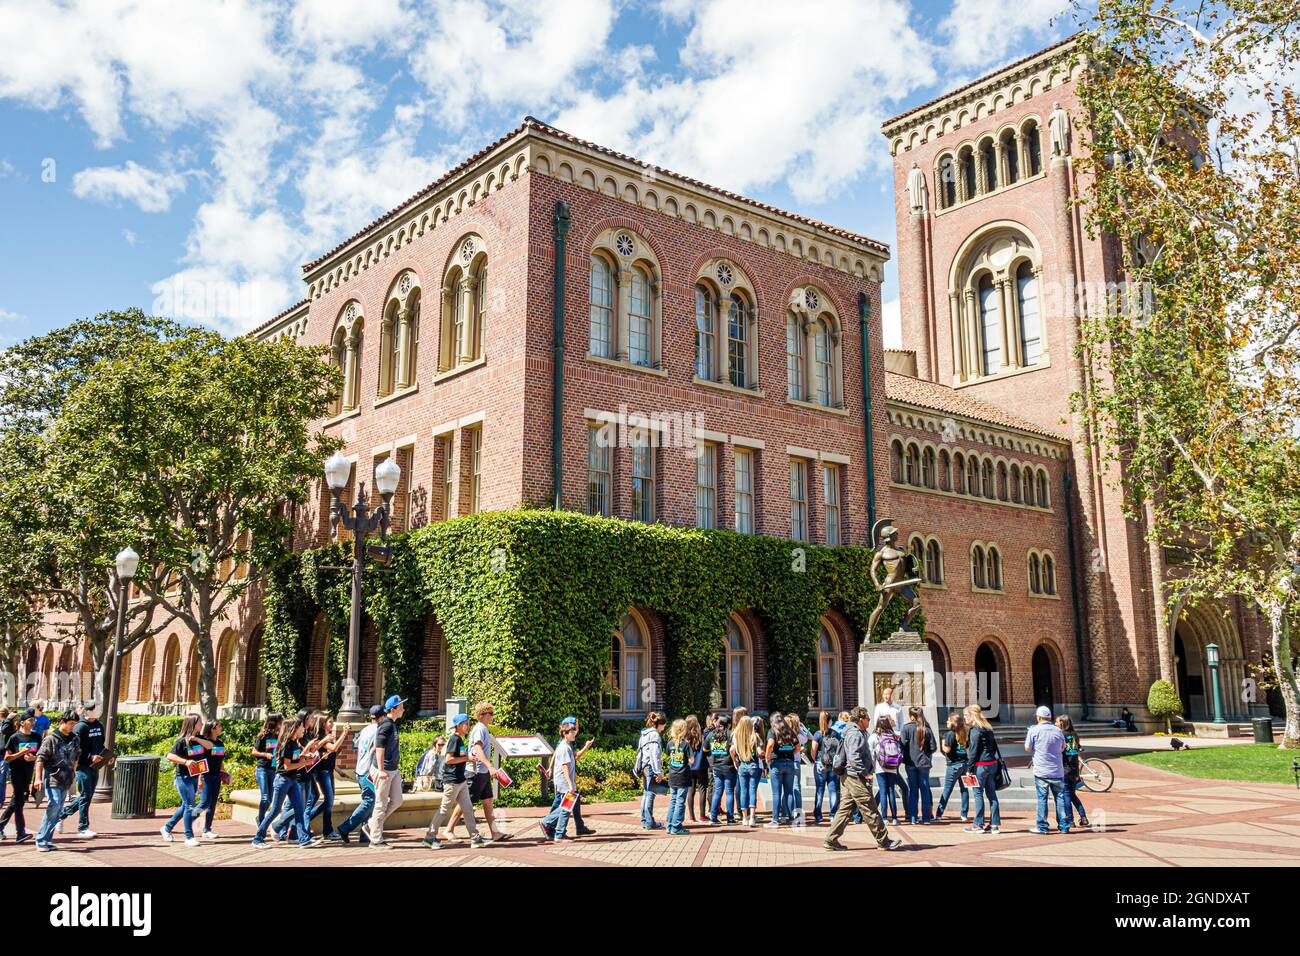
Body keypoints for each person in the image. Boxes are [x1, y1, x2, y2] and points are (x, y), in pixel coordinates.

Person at [823, 706, 903, 852]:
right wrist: (865, 773)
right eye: (867, 719)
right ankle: (884, 841)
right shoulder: (855, 734)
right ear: (861, 719)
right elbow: (854, 757)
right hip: (855, 776)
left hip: (849, 776)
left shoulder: (853, 732)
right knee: (870, 807)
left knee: (846, 809)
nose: (869, 721)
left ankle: (831, 839)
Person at [251, 716, 321, 849]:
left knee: (299, 809)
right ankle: (258, 838)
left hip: (293, 780)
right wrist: (306, 762)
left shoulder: (295, 743)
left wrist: (305, 757)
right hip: (283, 780)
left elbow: (294, 759)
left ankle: (303, 839)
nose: (303, 729)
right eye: (301, 727)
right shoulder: (286, 744)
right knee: (275, 810)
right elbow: (287, 766)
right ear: (294, 729)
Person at [424, 713, 489, 849]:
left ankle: (475, 838)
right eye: (466, 724)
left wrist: (468, 757)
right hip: (452, 781)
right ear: (459, 725)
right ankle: (429, 838)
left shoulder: (459, 739)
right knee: (444, 809)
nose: (468, 726)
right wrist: (466, 759)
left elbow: (459, 757)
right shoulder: (455, 739)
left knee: (468, 809)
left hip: (461, 780)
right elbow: (449, 759)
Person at [333, 704, 385, 844]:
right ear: (383, 716)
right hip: (369, 772)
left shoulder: (365, 729)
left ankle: (365, 834)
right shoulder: (379, 730)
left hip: (360, 769)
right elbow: (376, 750)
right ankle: (345, 827)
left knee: (371, 803)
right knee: (370, 801)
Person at [58, 702, 110, 839]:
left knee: (86, 797)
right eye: (95, 709)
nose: (98, 712)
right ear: (88, 711)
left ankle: (61, 815)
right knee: (85, 795)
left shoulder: (99, 725)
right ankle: (83, 827)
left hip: (95, 766)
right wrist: (89, 757)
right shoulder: (79, 727)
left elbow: (101, 744)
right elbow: (74, 748)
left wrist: (106, 757)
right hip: (82, 766)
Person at [33, 710, 81, 853]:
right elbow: (40, 759)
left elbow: (76, 757)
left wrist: (73, 774)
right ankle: (41, 840)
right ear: (62, 722)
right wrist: (37, 778)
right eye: (71, 724)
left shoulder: (75, 738)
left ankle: (47, 840)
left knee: (58, 810)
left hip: (66, 779)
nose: (73, 726)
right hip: (52, 777)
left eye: (75, 724)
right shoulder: (51, 738)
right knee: (53, 805)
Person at [464, 701, 510, 842]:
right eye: (490, 713)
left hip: (482, 772)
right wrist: (490, 767)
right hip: (476, 772)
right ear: (482, 715)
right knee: (466, 802)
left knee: (488, 801)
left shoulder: (484, 728)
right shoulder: (480, 729)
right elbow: (478, 749)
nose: (492, 716)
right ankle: (449, 829)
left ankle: (495, 833)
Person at [1025, 705, 1070, 834]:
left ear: (1039, 717)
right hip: (1057, 770)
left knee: (1042, 799)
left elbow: (1027, 748)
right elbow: (1062, 748)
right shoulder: (1058, 731)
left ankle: (1042, 827)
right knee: (1060, 798)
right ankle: (1064, 826)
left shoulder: (1034, 730)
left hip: (1041, 771)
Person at [369, 695, 406, 848]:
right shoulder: (386, 725)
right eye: (401, 706)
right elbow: (379, 747)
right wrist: (381, 770)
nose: (403, 709)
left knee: (397, 800)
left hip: (392, 769)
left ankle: (372, 824)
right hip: (384, 770)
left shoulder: (392, 724)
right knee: (381, 804)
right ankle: (376, 840)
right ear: (393, 709)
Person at [304, 714, 347, 839]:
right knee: (329, 801)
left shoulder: (328, 737)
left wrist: (338, 770)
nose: (332, 724)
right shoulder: (322, 737)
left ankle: (306, 818)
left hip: (329, 771)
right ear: (323, 724)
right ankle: (327, 831)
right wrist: (344, 733)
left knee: (329, 801)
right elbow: (333, 749)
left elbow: (328, 757)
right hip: (323, 772)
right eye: (330, 722)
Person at [0, 709, 39, 843]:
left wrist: (32, 758)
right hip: (16, 772)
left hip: (28, 773)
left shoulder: (36, 737)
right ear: (22, 722)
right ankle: (20, 833)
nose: (33, 722)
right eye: (30, 720)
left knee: (15, 802)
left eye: (34, 720)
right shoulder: (14, 738)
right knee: (19, 803)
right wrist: (21, 753)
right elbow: (7, 758)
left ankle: (0, 826)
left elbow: (39, 756)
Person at [538, 720, 581, 842]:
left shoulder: (565, 746)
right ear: (565, 734)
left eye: (574, 731)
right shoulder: (564, 748)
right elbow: (565, 766)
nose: (574, 733)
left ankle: (556, 830)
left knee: (566, 807)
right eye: (572, 731)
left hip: (563, 782)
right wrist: (570, 784)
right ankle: (556, 831)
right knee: (566, 808)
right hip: (564, 782)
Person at [963, 705, 1001, 834]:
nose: (964, 718)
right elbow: (994, 747)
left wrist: (969, 768)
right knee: (992, 795)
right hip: (992, 764)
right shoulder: (988, 728)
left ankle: (978, 824)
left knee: (978, 794)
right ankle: (994, 824)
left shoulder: (975, 730)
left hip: (981, 765)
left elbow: (973, 752)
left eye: (965, 715)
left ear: (972, 716)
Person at [872, 687, 909, 813]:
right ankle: (892, 813)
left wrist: (898, 735)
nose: (886, 696)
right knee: (889, 785)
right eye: (884, 694)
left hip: (894, 742)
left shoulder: (897, 708)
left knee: (888, 785)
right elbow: (876, 724)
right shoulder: (879, 707)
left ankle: (895, 813)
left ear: (893, 695)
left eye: (888, 694)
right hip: (883, 744)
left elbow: (902, 725)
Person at [764, 712, 801, 827]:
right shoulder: (790, 731)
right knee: (789, 791)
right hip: (790, 763)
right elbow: (798, 747)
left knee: (776, 793)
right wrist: (791, 754)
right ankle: (791, 818)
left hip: (776, 763)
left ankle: (775, 820)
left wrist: (767, 757)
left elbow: (770, 745)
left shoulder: (772, 731)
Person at [901, 706, 936, 825]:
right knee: (925, 790)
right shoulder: (927, 728)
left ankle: (913, 817)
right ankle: (926, 818)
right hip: (924, 763)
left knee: (913, 790)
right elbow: (933, 747)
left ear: (911, 716)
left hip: (911, 763)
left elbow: (902, 745)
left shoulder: (906, 728)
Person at [935, 710, 970, 822]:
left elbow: (947, 749)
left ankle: (939, 814)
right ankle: (964, 814)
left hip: (953, 765)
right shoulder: (964, 732)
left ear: (953, 723)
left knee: (947, 790)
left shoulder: (949, 734)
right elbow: (967, 746)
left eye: (949, 720)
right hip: (964, 763)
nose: (946, 721)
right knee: (964, 790)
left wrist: (942, 742)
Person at [869, 715, 905, 825]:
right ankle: (894, 818)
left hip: (881, 767)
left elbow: (871, 754)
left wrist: (872, 767)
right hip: (893, 767)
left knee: (883, 791)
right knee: (891, 791)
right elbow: (899, 751)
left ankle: (884, 818)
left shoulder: (874, 736)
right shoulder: (894, 736)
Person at [635, 712, 666, 830]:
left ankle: (644, 820)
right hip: (650, 767)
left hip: (643, 766)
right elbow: (654, 755)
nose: (664, 728)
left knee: (646, 793)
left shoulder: (644, 733)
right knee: (650, 794)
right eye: (664, 725)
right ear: (660, 724)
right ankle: (649, 822)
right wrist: (658, 771)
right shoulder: (655, 735)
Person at [250, 712, 282, 826]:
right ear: (274, 721)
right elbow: (254, 752)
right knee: (265, 798)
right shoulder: (262, 736)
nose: (281, 722)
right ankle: (261, 820)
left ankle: (260, 817)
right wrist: (265, 755)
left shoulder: (279, 736)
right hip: (262, 768)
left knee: (270, 799)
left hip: (273, 769)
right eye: (280, 720)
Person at [1057, 714, 1089, 828]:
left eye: (1057, 722)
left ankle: (1070, 820)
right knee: (1072, 795)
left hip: (1065, 769)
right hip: (1074, 769)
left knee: (1066, 795)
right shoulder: (1075, 735)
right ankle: (1083, 817)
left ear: (1062, 723)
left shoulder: (1061, 735)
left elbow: (1059, 750)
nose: (1055, 724)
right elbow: (1078, 748)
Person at [731, 715, 763, 828]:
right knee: (752, 791)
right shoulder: (755, 737)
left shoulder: (736, 736)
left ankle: (744, 818)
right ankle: (752, 818)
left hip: (742, 765)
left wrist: (735, 760)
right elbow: (759, 752)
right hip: (753, 765)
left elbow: (732, 750)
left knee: (743, 791)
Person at [198, 719, 227, 840]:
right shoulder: (205, 743)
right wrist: (199, 778)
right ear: (213, 728)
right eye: (219, 726)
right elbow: (201, 761)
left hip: (216, 777)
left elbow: (221, 761)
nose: (221, 728)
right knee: (205, 802)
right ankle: (191, 819)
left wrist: (224, 774)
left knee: (213, 803)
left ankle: (207, 829)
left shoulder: (220, 743)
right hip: (206, 776)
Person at [811, 711, 841, 825]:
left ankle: (818, 815)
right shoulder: (836, 734)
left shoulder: (818, 734)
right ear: (830, 721)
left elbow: (813, 751)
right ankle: (833, 814)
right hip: (832, 765)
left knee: (820, 790)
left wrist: (816, 760)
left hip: (820, 764)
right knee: (833, 790)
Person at [664, 718, 692, 835]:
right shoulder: (686, 744)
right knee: (680, 801)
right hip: (683, 776)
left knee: (673, 800)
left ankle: (669, 825)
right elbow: (692, 760)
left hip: (672, 775)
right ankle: (676, 827)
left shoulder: (670, 743)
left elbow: (666, 756)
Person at [706, 714, 736, 824]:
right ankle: (730, 818)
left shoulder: (711, 734)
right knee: (729, 792)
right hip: (728, 766)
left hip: (716, 767)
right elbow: (734, 749)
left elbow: (705, 749)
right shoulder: (730, 734)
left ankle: (713, 817)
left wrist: (714, 754)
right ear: (728, 724)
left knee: (717, 791)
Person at [684, 714, 708, 823]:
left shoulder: (685, 737)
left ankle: (691, 816)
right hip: (701, 765)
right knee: (702, 789)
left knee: (691, 791)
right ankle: (702, 816)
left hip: (689, 767)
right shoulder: (702, 737)